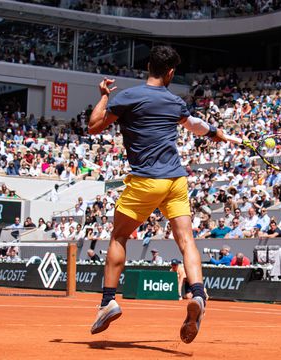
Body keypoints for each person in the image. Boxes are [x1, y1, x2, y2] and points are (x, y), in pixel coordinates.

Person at [88, 46, 227, 343]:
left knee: (118, 236)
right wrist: (216, 133)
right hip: (176, 180)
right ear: (171, 73)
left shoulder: (127, 96)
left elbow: (93, 126)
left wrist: (103, 95)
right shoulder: (176, 102)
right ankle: (198, 293)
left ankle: (108, 301)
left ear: (148, 66)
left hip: (146, 181)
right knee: (186, 240)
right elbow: (196, 126)